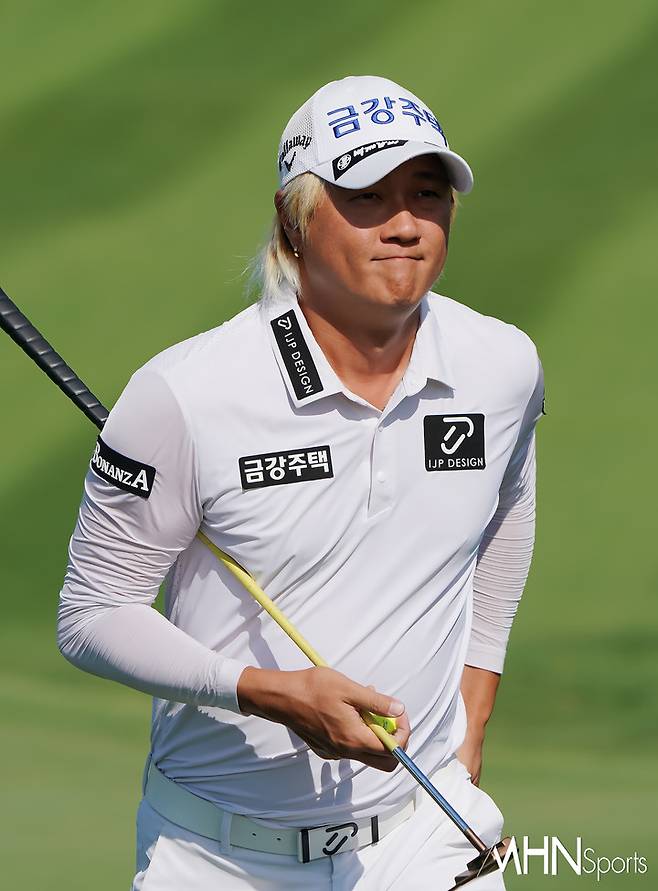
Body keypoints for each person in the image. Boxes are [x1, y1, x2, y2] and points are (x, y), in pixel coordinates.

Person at [57, 74, 545, 890]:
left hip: (425, 838)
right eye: (367, 196)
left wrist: (475, 706)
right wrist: (268, 693)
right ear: (294, 218)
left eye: (426, 194)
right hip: (217, 854)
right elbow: (91, 613)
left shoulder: (502, 365)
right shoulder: (185, 395)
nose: (404, 223)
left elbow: (506, 507)